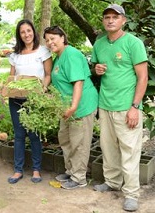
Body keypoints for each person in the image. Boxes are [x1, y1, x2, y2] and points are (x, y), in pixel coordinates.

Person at [91, 4, 148, 212]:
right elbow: (98, 70)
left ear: (124, 20)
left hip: (126, 107)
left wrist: (135, 107)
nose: (110, 20)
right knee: (108, 148)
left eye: (115, 17)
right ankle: (112, 182)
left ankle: (131, 193)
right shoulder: (99, 44)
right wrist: (97, 70)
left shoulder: (133, 43)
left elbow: (142, 77)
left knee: (130, 151)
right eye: (107, 17)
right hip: (105, 105)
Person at [43, 26, 98, 189]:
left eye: (53, 38)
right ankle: (70, 170)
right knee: (66, 139)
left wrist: (73, 106)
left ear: (62, 37)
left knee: (79, 142)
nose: (50, 42)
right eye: (47, 40)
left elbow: (78, 82)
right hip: (66, 107)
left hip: (81, 105)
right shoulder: (58, 57)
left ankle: (79, 177)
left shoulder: (71, 54)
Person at [6, 19, 52, 184]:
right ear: (19, 35)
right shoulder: (15, 55)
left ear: (33, 31)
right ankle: (18, 170)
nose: (26, 34)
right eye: (23, 32)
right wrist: (8, 89)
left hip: (35, 99)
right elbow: (11, 78)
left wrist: (42, 90)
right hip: (16, 99)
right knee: (18, 135)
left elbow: (48, 74)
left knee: (34, 135)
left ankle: (36, 169)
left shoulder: (43, 51)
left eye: (29, 30)